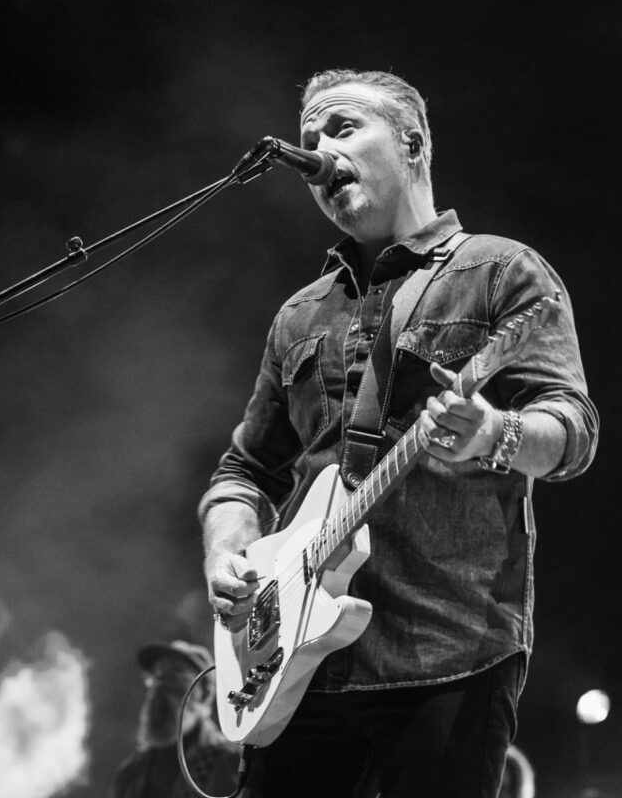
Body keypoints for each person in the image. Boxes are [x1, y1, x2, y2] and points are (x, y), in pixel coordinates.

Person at [199, 69, 598, 797]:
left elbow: (571, 430)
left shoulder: (500, 272)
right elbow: (244, 471)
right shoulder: (299, 315)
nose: (316, 150)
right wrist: (226, 553)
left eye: (343, 128)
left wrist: (494, 433)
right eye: (310, 137)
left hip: (449, 655)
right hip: (300, 663)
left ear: (413, 143)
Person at [110, 640, 241, 798]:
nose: (159, 689)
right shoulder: (130, 775)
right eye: (155, 678)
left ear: (205, 694)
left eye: (174, 678)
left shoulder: (233, 763)